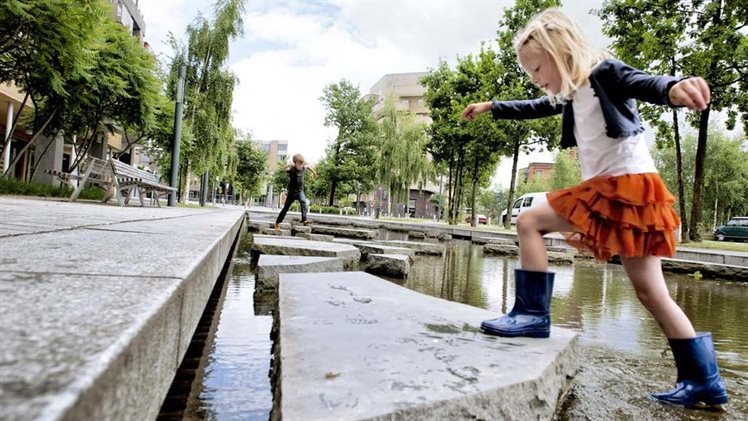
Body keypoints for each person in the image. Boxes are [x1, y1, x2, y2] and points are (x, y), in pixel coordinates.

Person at [461, 8, 727, 409]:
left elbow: (645, 82)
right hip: (630, 190)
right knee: (651, 291)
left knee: (530, 220)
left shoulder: (603, 72)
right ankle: (703, 380)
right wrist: (493, 106)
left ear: (562, 51)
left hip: (625, 187)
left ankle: (533, 314)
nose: (535, 78)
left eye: (536, 68)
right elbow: (537, 106)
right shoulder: (571, 91)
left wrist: (675, 88)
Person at [275, 153, 316, 229]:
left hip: (300, 191)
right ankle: (277, 222)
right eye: (299, 164)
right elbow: (283, 169)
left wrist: (314, 172)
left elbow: (308, 166)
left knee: (303, 202)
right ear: (295, 163)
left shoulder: (303, 168)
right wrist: (289, 165)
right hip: (291, 192)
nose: (300, 166)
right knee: (285, 208)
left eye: (301, 164)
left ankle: (304, 219)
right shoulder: (291, 169)